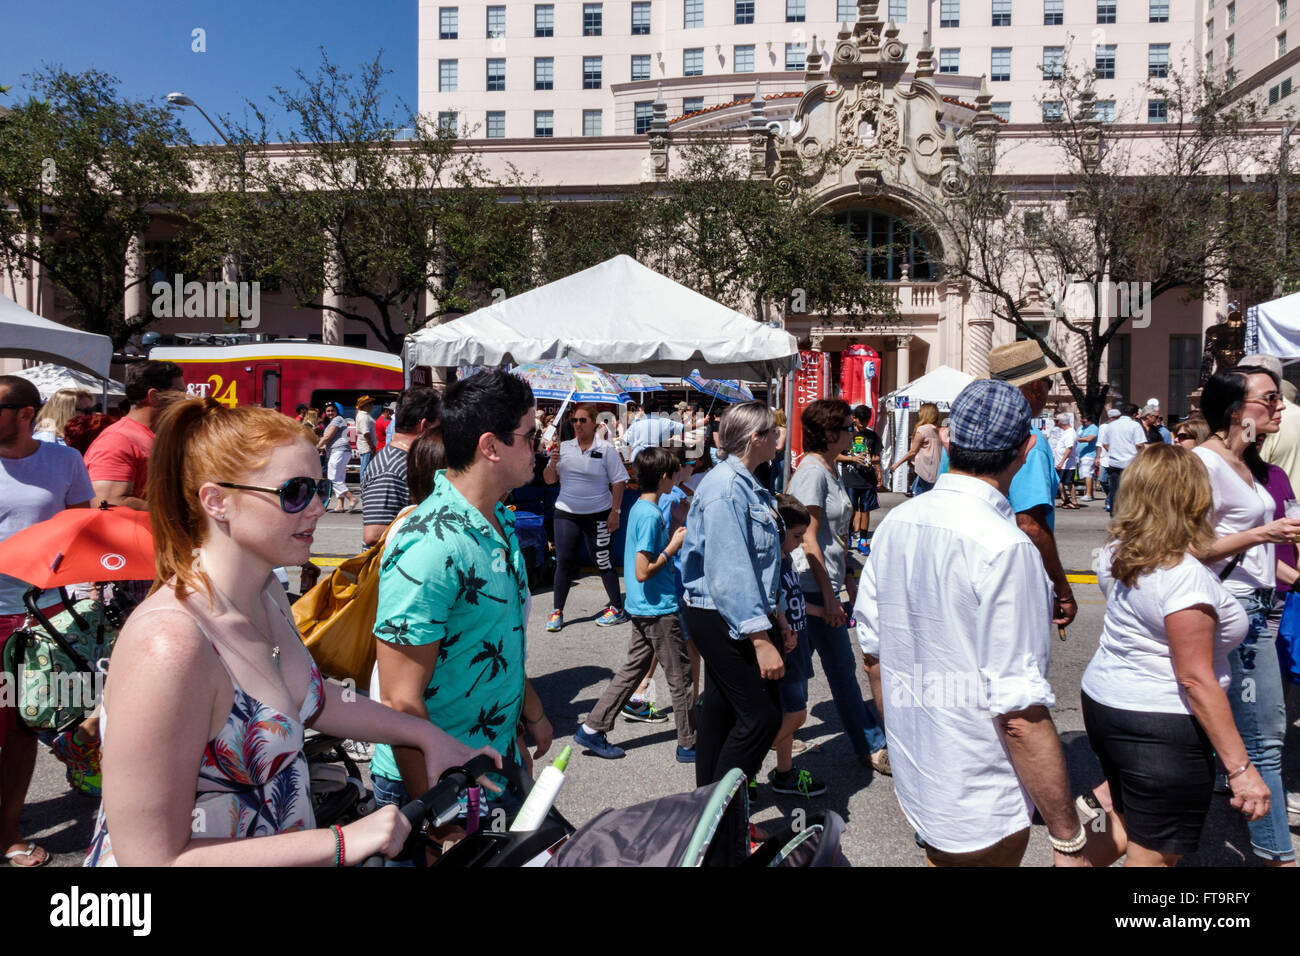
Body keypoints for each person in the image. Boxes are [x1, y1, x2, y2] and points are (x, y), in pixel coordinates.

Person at [84, 397, 498, 866]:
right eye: (296, 491)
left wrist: (426, 736)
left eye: (321, 486)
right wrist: (342, 843)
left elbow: (315, 699)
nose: (320, 507)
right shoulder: (170, 644)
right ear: (216, 500)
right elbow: (151, 861)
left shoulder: (265, 592)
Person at [854, 379, 1090, 867]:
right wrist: (1068, 838)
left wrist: (907, 742)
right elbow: (1020, 713)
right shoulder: (1005, 547)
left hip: (926, 773)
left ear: (946, 440)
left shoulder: (899, 522)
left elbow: (874, 654)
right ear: (1025, 450)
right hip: (981, 791)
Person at [371, 369, 550, 825]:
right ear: (490, 447)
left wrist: (523, 727)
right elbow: (400, 702)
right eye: (531, 436)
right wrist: (437, 817)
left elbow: (494, 640)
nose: (541, 446)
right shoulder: (429, 544)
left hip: (490, 761)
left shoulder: (500, 521)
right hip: (436, 785)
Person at [1081, 444, 1269, 866]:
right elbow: (1195, 679)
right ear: (1195, 498)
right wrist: (1241, 771)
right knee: (1156, 856)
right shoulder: (1184, 578)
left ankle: (1070, 858)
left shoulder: (1118, 552)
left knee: (1126, 819)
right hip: (1162, 724)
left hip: (1108, 703)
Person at [1192, 366, 1300, 866]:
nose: (1280, 407)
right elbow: (1191, 547)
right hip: (1232, 610)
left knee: (1239, 732)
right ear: (1237, 411)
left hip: (1261, 605)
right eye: (1270, 399)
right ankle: (1278, 855)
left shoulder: (1249, 464)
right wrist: (1265, 534)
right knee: (1265, 738)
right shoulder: (1203, 465)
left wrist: (1278, 559)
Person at [0, 377, 94, 867]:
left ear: (24, 413)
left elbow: (81, 530)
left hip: (40, 615)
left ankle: (8, 830)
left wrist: (87, 590)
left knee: (21, 727)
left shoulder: (63, 462)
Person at [679, 401, 784, 790]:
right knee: (761, 717)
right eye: (772, 431)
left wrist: (778, 617)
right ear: (755, 438)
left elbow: (760, 566)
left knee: (721, 710)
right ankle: (719, 812)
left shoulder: (745, 482)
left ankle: (707, 807)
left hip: (731, 610)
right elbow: (730, 571)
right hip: (721, 612)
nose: (778, 437)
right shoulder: (726, 488)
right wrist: (760, 638)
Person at [573, 447, 697, 763]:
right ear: (665, 477)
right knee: (680, 678)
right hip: (657, 607)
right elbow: (644, 570)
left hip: (644, 606)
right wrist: (673, 546)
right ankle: (689, 743)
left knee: (633, 670)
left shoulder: (642, 508)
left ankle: (592, 727)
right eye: (674, 472)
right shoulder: (652, 514)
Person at [789, 399, 890, 775]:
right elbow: (809, 538)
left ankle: (869, 741)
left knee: (823, 670)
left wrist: (847, 579)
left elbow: (835, 537)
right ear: (830, 434)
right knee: (824, 671)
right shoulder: (812, 472)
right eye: (848, 428)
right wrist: (831, 599)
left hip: (826, 582)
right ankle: (869, 744)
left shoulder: (830, 468)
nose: (854, 432)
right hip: (810, 584)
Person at [989, 341, 1076, 630]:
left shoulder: (964, 437)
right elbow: (1030, 524)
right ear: (1037, 388)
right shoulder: (1030, 444)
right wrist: (1061, 589)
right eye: (1048, 386)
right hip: (1017, 578)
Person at [543, 403, 629, 632]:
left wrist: (615, 512)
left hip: (598, 513)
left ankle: (617, 608)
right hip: (566, 513)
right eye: (574, 421)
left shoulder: (606, 448)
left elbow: (619, 481)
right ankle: (557, 611)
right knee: (564, 562)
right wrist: (552, 462)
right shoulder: (563, 447)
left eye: (583, 420)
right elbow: (549, 480)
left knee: (603, 560)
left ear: (595, 424)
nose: (578, 425)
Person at [768, 494, 823, 797]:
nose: (802, 542)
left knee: (791, 711)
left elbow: (794, 602)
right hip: (785, 648)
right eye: (797, 535)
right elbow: (774, 606)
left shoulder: (787, 558)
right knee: (796, 715)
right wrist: (784, 628)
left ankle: (784, 772)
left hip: (796, 646)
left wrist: (824, 611)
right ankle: (743, 767)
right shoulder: (774, 561)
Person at [84, 359, 184, 509]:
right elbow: (107, 501)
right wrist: (173, 512)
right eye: (180, 392)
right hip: (130, 531)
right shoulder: (117, 440)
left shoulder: (158, 436)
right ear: (154, 397)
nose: (185, 399)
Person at [361, 389, 441, 547]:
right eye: (441, 425)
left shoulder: (409, 460)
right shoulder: (390, 469)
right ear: (424, 426)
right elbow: (374, 534)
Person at [839, 403, 882, 556]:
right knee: (850, 510)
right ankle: (849, 535)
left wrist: (872, 461)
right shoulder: (846, 434)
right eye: (861, 421)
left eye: (867, 421)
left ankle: (863, 541)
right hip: (850, 479)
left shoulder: (873, 436)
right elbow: (837, 455)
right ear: (854, 418)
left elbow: (877, 457)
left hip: (867, 480)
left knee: (865, 510)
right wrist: (852, 458)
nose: (864, 424)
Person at [1102, 404, 1148, 516]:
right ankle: (1131, 512)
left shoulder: (1111, 425)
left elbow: (1105, 444)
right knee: (1132, 490)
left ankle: (1114, 511)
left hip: (1114, 462)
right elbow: (1140, 444)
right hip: (1131, 463)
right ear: (1134, 414)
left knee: (1115, 489)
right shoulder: (1135, 426)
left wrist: (1115, 450)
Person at [889, 402, 941, 495]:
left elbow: (913, 451)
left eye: (920, 411)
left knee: (920, 497)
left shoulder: (922, 429)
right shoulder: (938, 430)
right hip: (936, 469)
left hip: (924, 469)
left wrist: (897, 464)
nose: (918, 413)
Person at [316, 403, 359, 514]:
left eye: (332, 410)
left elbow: (328, 437)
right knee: (339, 478)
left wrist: (316, 447)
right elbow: (330, 440)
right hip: (339, 451)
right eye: (328, 411)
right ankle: (340, 505)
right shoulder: (334, 421)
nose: (330, 413)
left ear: (337, 411)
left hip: (339, 451)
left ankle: (352, 498)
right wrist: (322, 447)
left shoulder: (337, 419)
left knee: (333, 478)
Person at [622, 398, 685, 463]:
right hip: (656, 460)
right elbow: (684, 428)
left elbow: (625, 442)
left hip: (637, 459)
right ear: (658, 409)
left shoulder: (636, 423)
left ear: (643, 410)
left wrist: (627, 459)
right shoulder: (664, 422)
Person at [1052, 412, 1079, 509]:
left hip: (1067, 464)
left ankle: (1074, 502)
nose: (1054, 422)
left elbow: (1069, 448)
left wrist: (1062, 462)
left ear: (1060, 422)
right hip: (1061, 463)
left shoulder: (1070, 433)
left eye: (1056, 420)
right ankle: (1065, 499)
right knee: (1060, 481)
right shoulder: (1066, 432)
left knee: (1069, 482)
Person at [1077, 412, 1100, 501]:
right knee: (1085, 474)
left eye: (1085, 422)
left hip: (1089, 454)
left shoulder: (1094, 428)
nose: (1083, 423)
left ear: (1090, 421)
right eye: (1082, 421)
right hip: (1081, 454)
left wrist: (1077, 439)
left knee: (1087, 474)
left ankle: (1088, 494)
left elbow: (1089, 438)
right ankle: (1090, 492)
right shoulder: (1081, 428)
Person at [354, 395, 377, 479]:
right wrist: (372, 446)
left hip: (366, 446)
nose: (372, 405)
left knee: (366, 466)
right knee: (365, 467)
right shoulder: (363, 417)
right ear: (366, 405)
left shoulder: (364, 415)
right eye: (370, 403)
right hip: (366, 447)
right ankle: (363, 486)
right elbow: (366, 433)